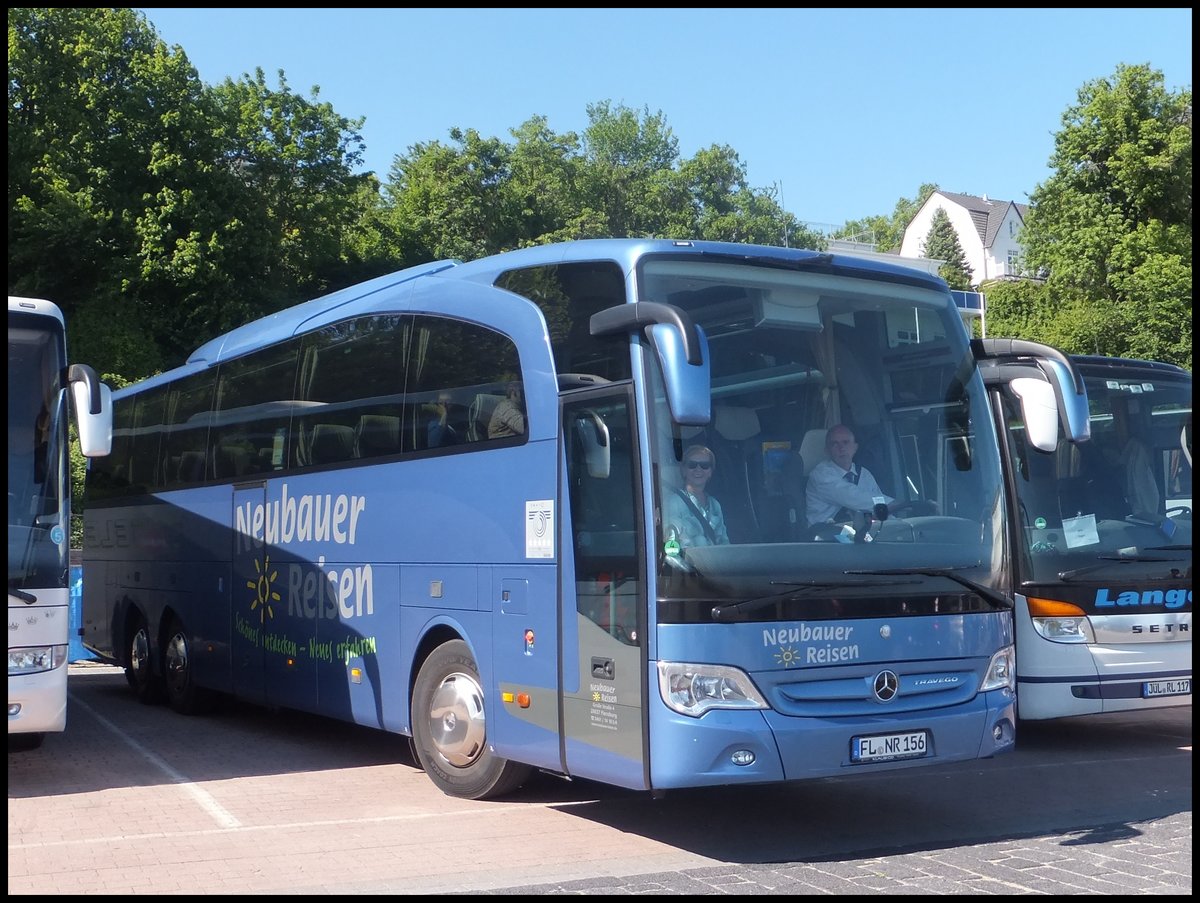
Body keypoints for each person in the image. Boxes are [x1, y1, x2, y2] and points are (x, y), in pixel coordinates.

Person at [805, 424, 901, 528]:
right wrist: (893, 504)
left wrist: (898, 525)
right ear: (827, 450)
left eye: (845, 442)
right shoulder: (821, 475)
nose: (841, 448)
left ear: (855, 447)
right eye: (834, 444)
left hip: (854, 535)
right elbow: (852, 496)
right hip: (823, 537)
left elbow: (878, 503)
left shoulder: (864, 474)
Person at [664, 445, 730, 547]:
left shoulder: (715, 505)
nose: (698, 469)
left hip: (717, 562)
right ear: (684, 470)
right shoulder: (673, 502)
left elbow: (724, 543)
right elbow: (672, 544)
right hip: (689, 562)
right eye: (692, 464)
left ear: (710, 472)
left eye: (704, 465)